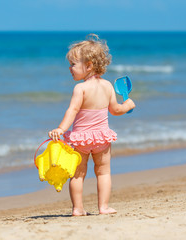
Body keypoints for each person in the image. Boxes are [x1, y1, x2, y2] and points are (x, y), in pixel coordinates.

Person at [48, 34, 135, 216]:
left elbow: (72, 111)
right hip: (102, 138)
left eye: (73, 64)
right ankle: (103, 207)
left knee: (77, 175)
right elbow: (115, 110)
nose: (70, 68)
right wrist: (127, 105)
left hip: (81, 140)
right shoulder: (108, 86)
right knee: (103, 173)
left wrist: (61, 129)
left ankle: (78, 209)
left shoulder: (80, 89)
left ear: (88, 66)